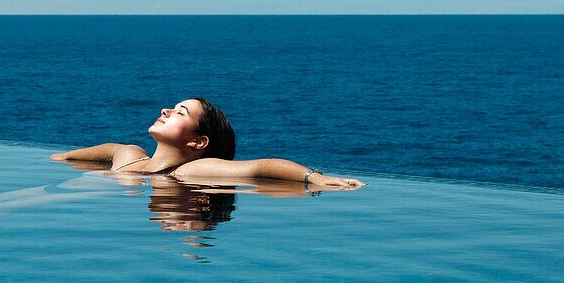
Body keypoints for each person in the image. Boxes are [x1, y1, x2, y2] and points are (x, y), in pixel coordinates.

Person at [49, 97, 365, 189]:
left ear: (200, 142)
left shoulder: (188, 171)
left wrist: (314, 178)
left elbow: (259, 168)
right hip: (41, 196)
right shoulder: (132, 157)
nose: (165, 110)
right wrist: (60, 157)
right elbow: (110, 150)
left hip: (50, 202)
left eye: (180, 112)